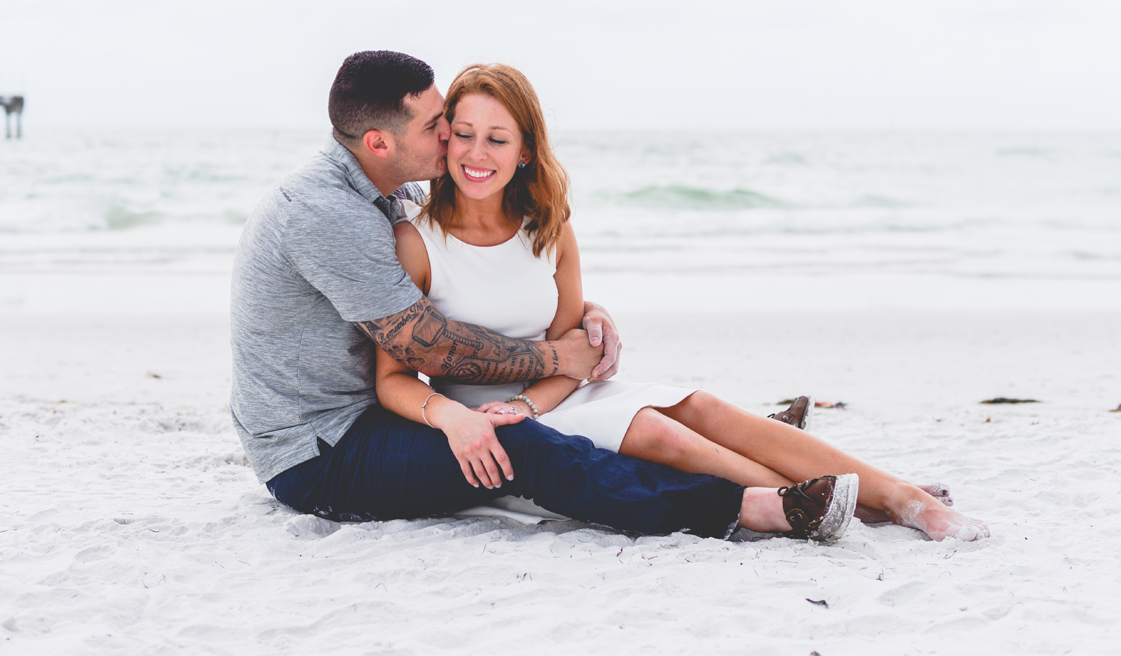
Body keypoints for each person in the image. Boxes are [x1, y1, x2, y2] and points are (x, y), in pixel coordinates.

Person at [230, 50, 857, 543]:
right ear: (379, 143)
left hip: (373, 417)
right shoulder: (325, 213)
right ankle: (746, 506)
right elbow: (431, 345)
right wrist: (559, 359)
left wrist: (588, 312)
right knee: (516, 446)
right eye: (436, 125)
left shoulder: (389, 194)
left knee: (556, 428)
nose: (450, 136)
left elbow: (483, 277)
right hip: (321, 454)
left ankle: (739, 459)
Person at [375, 62, 990, 542]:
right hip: (495, 427)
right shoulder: (417, 241)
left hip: (554, 397)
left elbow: (571, 357)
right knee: (661, 434)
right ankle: (847, 501)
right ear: (445, 139)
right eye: (463, 134)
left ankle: (902, 496)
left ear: (525, 151)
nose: (476, 154)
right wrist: (474, 416)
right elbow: (393, 379)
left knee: (702, 406)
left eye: (497, 139)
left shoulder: (549, 228)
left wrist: (533, 397)